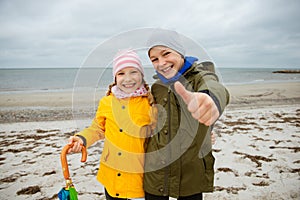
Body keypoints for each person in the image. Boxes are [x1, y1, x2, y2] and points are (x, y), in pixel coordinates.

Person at [143, 29, 230, 200]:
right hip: (156, 170)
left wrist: (211, 100)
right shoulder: (157, 87)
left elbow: (216, 87)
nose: (161, 63)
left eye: (166, 53)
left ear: (180, 52)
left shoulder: (200, 77)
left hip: (191, 170)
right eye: (154, 59)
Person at [67, 49, 156, 200]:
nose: (127, 78)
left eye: (133, 72)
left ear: (141, 75)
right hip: (112, 177)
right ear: (115, 77)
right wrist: (82, 139)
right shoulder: (107, 102)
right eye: (121, 73)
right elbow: (98, 128)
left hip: (139, 179)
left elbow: (166, 131)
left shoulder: (150, 103)